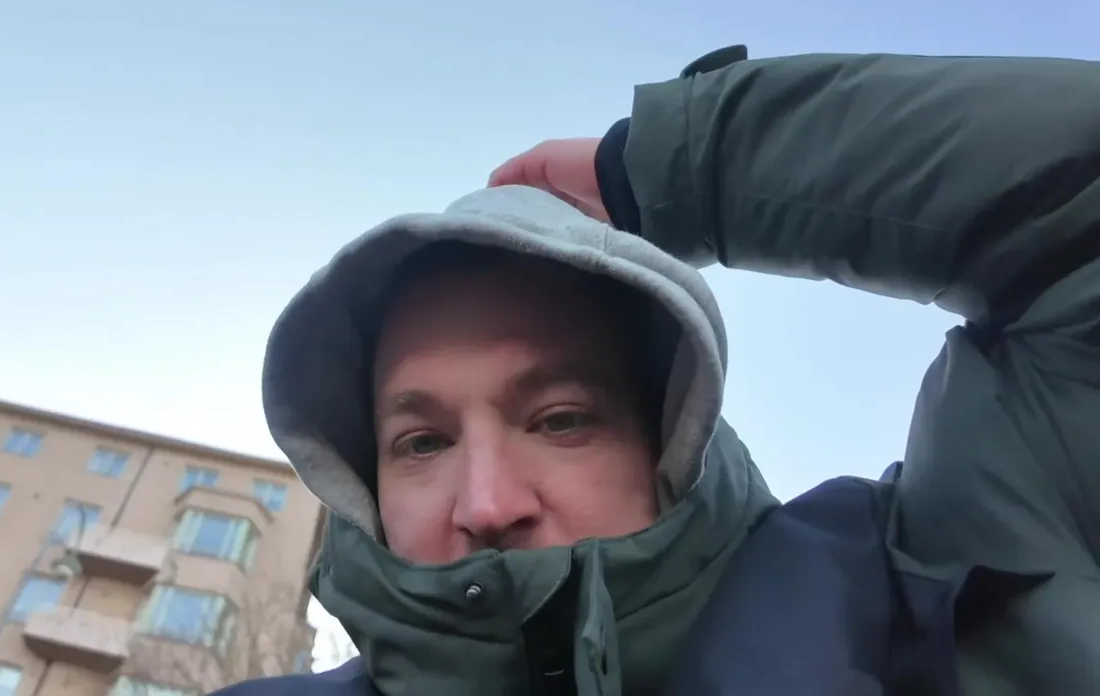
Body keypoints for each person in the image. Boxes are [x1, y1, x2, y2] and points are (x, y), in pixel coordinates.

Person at [216, 46, 1100, 695]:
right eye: (420, 442)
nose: (486, 504)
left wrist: (685, 167)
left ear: (666, 435)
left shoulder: (917, 599)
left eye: (560, 419)